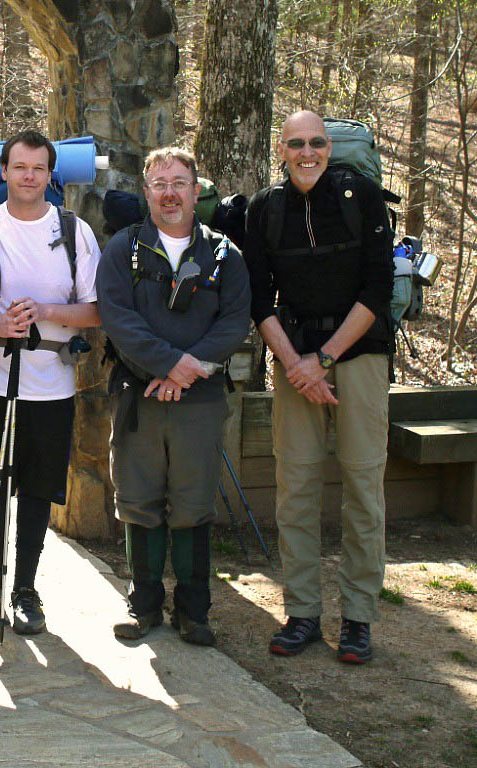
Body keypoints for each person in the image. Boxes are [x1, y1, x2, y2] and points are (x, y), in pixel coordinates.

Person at [244, 111, 393, 664]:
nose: (308, 153)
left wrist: (324, 359)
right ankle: (302, 611)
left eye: (317, 143)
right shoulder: (266, 209)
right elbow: (260, 299)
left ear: (330, 148)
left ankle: (358, 618)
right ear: (282, 151)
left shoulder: (363, 198)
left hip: (359, 357)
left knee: (362, 486)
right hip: (294, 360)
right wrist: (298, 366)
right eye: (296, 144)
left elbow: (379, 285)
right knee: (296, 488)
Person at [97, 147, 250, 646]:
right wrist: (168, 366)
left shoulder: (225, 254)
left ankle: (194, 610)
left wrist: (186, 371)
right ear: (146, 192)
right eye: (159, 183)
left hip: (199, 402)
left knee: (192, 505)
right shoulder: (123, 249)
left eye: (179, 182)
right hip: (139, 399)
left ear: (196, 189)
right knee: (138, 502)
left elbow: (233, 323)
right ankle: (143, 607)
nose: (169, 192)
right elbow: (119, 320)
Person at [0, 130, 101, 636]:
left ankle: (26, 588)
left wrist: (45, 312)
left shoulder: (74, 231)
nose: (28, 176)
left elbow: (95, 310)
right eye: (20, 167)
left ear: (50, 174)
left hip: (51, 382)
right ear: (3, 171)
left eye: (38, 168)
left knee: (37, 488)